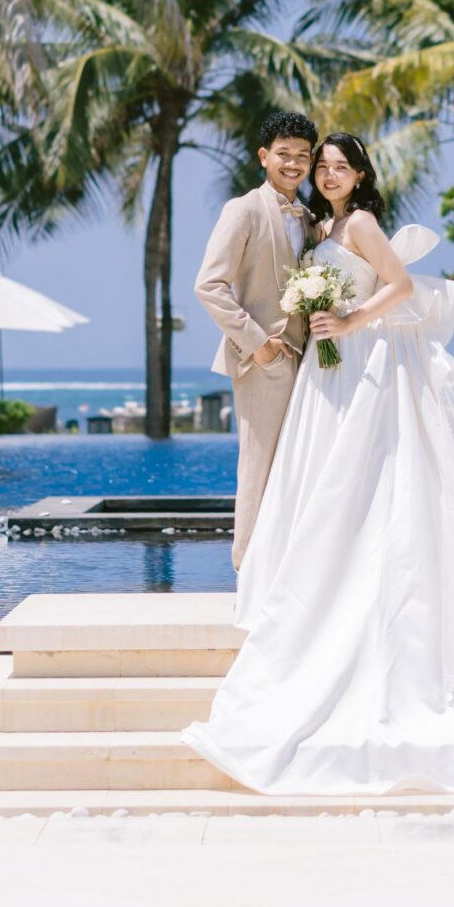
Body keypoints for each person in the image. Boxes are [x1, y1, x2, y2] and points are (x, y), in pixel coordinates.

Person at [182, 133, 454, 795]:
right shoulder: (320, 225)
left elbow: (399, 285)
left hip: (356, 364)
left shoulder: (361, 223)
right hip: (324, 375)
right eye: (321, 166)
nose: (326, 174)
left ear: (360, 174)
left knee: (361, 482)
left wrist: (348, 323)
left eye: (338, 166)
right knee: (320, 481)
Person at [192, 111, 318, 570]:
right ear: (264, 156)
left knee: (298, 468)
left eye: (302, 156)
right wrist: (258, 345)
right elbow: (209, 285)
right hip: (264, 361)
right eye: (284, 154)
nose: (293, 163)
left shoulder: (310, 218)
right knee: (258, 467)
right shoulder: (243, 209)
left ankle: (287, 573)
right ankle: (246, 572)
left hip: (311, 362)